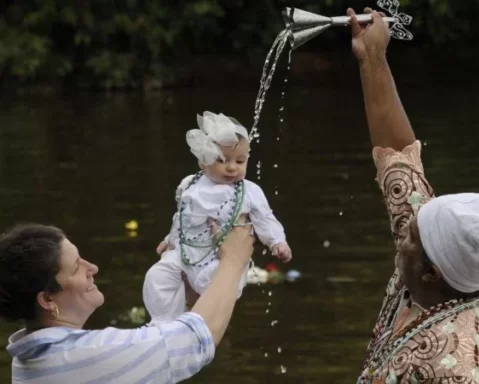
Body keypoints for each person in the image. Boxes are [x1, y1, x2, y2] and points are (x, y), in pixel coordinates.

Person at [349, 7, 479, 383]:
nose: (402, 227)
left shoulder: (455, 368)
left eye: (410, 236)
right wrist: (373, 58)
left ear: (431, 272)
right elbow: (398, 158)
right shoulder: (431, 273)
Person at [1, 222, 254, 383]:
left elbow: (151, 350)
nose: (93, 268)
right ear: (47, 299)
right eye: (77, 267)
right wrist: (233, 260)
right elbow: (196, 339)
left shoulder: (33, 359)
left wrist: (187, 303)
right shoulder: (77, 357)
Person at [143, 111, 292, 323]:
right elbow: (183, 217)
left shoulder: (249, 191)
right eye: (222, 160)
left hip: (218, 260)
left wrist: (277, 241)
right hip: (185, 252)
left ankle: (197, 320)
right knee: (158, 276)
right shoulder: (189, 184)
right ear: (204, 161)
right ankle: (165, 323)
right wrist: (170, 239)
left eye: (240, 161)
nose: (232, 167)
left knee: (213, 286)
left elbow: (265, 218)